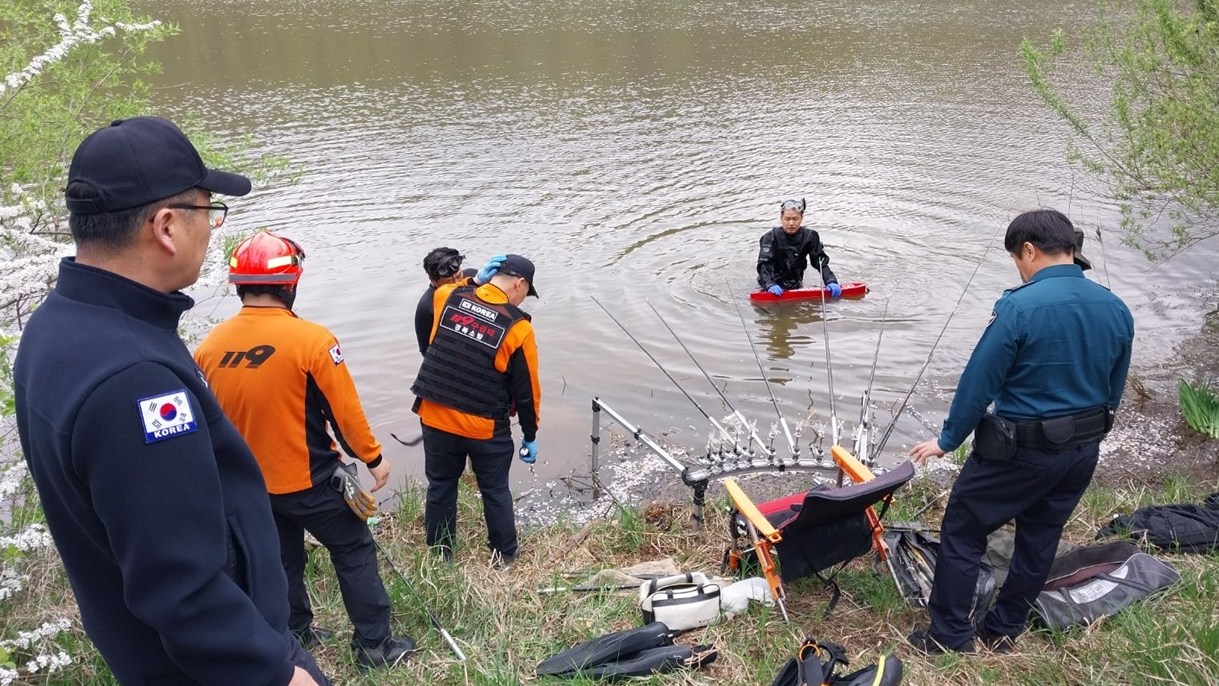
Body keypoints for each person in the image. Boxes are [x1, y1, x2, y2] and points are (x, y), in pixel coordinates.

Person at [13, 117, 328, 685]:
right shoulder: (135, 380)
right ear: (166, 227)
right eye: (208, 212)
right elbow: (181, 588)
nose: (211, 230)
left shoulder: (58, 324)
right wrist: (278, 673)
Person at [905, 208, 1134, 655]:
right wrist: (1088, 437)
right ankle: (1003, 629)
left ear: (1028, 250)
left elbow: (979, 383)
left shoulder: (1017, 306)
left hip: (1018, 452)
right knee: (1040, 537)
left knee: (964, 528)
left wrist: (948, 439)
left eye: (1017, 258)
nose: (1020, 269)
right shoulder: (1116, 307)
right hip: (1081, 451)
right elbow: (1114, 388)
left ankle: (948, 636)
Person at [194, 230, 416, 670]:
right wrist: (373, 458)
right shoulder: (313, 341)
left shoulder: (208, 347)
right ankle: (375, 646)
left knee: (280, 560)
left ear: (239, 285)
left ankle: (294, 632)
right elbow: (345, 415)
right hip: (310, 479)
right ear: (290, 283)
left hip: (249, 487)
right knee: (353, 550)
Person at [411, 254, 541, 567]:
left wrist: (472, 281)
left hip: (435, 417)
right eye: (526, 291)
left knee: (441, 486)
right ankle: (505, 555)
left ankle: (442, 554)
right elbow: (527, 392)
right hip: (483, 427)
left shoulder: (448, 296)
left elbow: (439, 293)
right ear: (519, 283)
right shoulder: (519, 327)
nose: (524, 298)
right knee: (495, 490)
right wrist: (530, 434)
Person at [756, 198, 843, 298]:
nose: (791, 223)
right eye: (787, 219)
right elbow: (764, 266)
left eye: (795, 219)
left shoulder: (810, 236)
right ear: (781, 218)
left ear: (801, 218)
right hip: (772, 284)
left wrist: (830, 280)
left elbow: (820, 262)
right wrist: (769, 284)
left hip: (796, 283)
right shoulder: (769, 237)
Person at [415, 246, 475, 355]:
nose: (458, 283)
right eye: (450, 283)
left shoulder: (474, 277)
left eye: (459, 276)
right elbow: (425, 349)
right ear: (433, 281)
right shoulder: (427, 307)